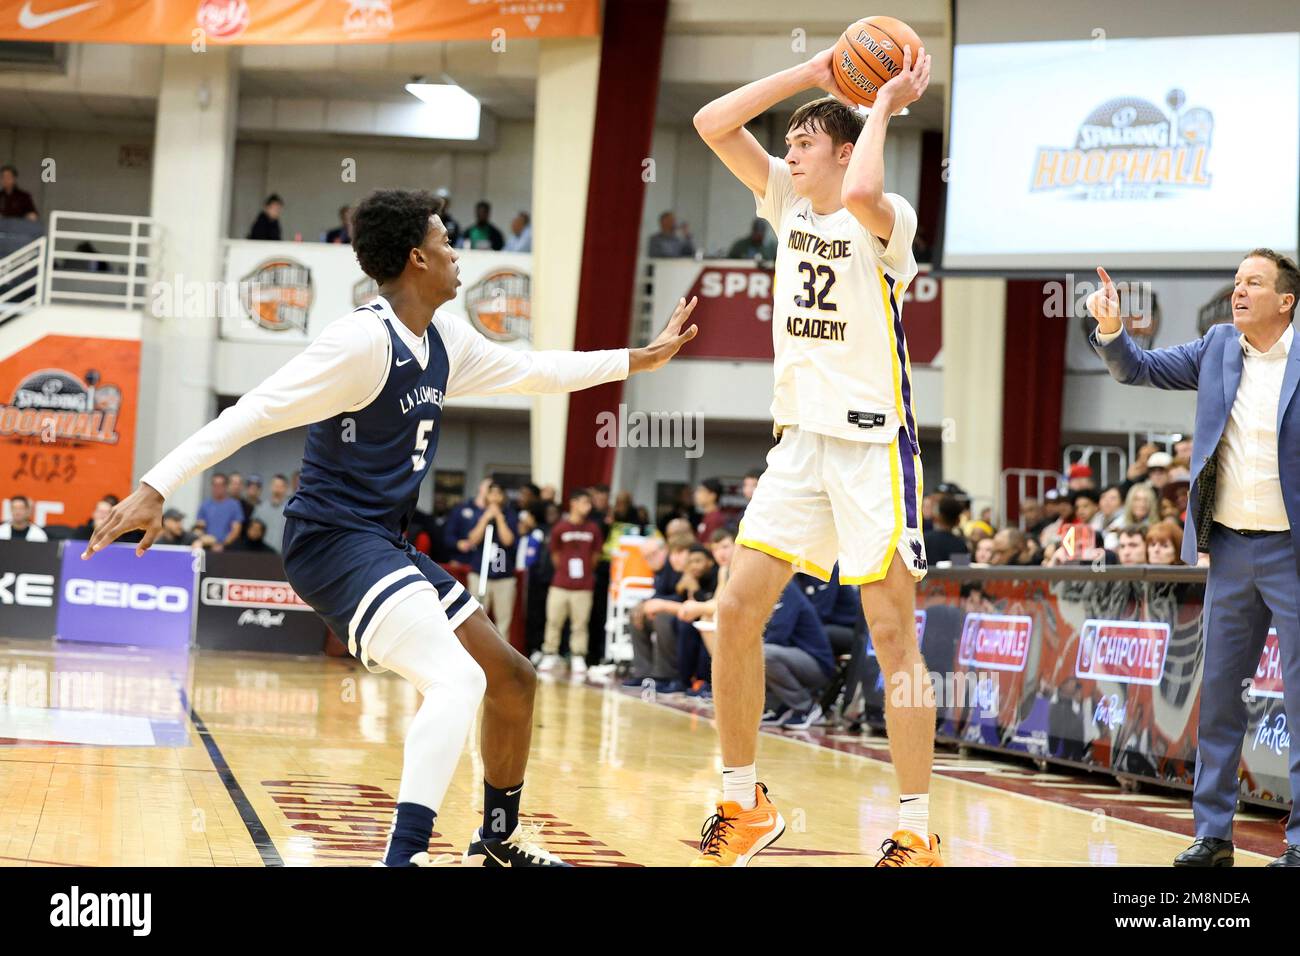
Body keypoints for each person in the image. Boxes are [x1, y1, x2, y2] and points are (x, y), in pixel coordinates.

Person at [82, 187, 697, 868]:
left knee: (513, 678)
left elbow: (534, 370)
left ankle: (496, 841)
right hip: (331, 542)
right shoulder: (360, 342)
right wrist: (155, 486)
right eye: (445, 239)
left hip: (383, 542)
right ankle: (400, 860)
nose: (456, 250)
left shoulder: (444, 339)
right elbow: (253, 412)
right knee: (458, 682)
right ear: (416, 257)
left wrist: (635, 360)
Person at [692, 41, 938, 866]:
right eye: (787, 145)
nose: (788, 153)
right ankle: (743, 801)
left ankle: (915, 825)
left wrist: (879, 104)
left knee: (891, 631)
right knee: (733, 612)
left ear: (839, 148)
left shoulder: (886, 216)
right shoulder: (785, 203)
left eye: (802, 143)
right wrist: (809, 74)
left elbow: (863, 185)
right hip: (798, 445)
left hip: (873, 449)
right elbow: (710, 122)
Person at [1088, 251, 1300, 867]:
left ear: (1286, 301)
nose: (1238, 292)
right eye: (1236, 282)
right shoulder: (1217, 346)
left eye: (1253, 283)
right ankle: (1213, 836)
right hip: (1231, 547)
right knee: (1221, 695)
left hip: (1292, 551)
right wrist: (1111, 330)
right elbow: (1139, 369)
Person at [538, 488, 606, 677]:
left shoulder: (593, 529)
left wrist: (585, 572)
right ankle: (550, 653)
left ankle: (578, 655)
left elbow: (596, 555)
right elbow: (555, 554)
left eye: (589, 503)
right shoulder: (560, 527)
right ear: (573, 504)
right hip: (560, 584)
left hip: (583, 586)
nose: (588, 506)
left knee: (580, 623)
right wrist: (565, 571)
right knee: (553, 621)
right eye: (585, 502)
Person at [447, 481, 519, 642]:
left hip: (503, 576)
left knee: (503, 619)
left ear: (503, 496)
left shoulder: (510, 515)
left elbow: (508, 540)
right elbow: (472, 539)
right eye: (491, 493)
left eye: (498, 493)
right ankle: (477, 650)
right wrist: (486, 518)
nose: (494, 497)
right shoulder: (478, 514)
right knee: (478, 616)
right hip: (480, 573)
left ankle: (502, 657)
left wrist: (499, 517)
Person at [197, 473, 244, 550]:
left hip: (228, 548)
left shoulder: (234, 505)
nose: (217, 488)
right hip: (207, 547)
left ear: (226, 486)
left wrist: (222, 544)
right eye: (215, 485)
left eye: (220, 485)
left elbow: (236, 530)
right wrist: (204, 540)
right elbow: (199, 527)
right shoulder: (205, 505)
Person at [923, 494, 968, 563]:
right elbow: (961, 571)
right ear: (958, 520)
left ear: (938, 517)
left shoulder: (924, 539)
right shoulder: (960, 545)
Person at [257, 474, 291, 552]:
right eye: (275, 486)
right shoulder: (260, 509)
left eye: (280, 487)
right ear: (270, 487)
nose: (277, 490)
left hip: (284, 555)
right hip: (263, 555)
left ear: (286, 489)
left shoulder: (291, 511)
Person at [694, 478, 728, 543]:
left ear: (712, 495)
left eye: (701, 491)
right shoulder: (708, 516)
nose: (696, 495)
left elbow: (711, 544)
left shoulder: (715, 518)